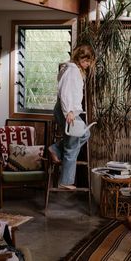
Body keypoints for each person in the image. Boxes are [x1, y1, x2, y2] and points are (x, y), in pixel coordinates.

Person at [49, 44, 96, 190]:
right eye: (86, 61)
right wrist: (68, 111)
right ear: (79, 58)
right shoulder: (72, 71)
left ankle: (56, 149)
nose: (88, 64)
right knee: (72, 144)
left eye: (89, 61)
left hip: (69, 110)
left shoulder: (75, 70)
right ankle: (66, 181)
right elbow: (65, 92)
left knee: (85, 133)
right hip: (66, 110)